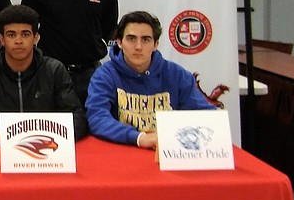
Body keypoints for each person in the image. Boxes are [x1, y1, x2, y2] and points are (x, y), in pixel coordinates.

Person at [0, 5, 88, 146]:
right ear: (1, 40)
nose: (18, 41)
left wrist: (47, 135)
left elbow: (77, 118)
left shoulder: (54, 71)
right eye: (11, 35)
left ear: (36, 38)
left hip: (46, 150)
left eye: (25, 34)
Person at [85, 11, 215, 149]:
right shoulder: (104, 76)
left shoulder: (178, 75)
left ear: (155, 44)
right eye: (131, 39)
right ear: (119, 42)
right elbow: (97, 118)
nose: (138, 47)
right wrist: (140, 138)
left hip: (168, 151)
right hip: (122, 151)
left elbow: (207, 116)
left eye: (146, 39)